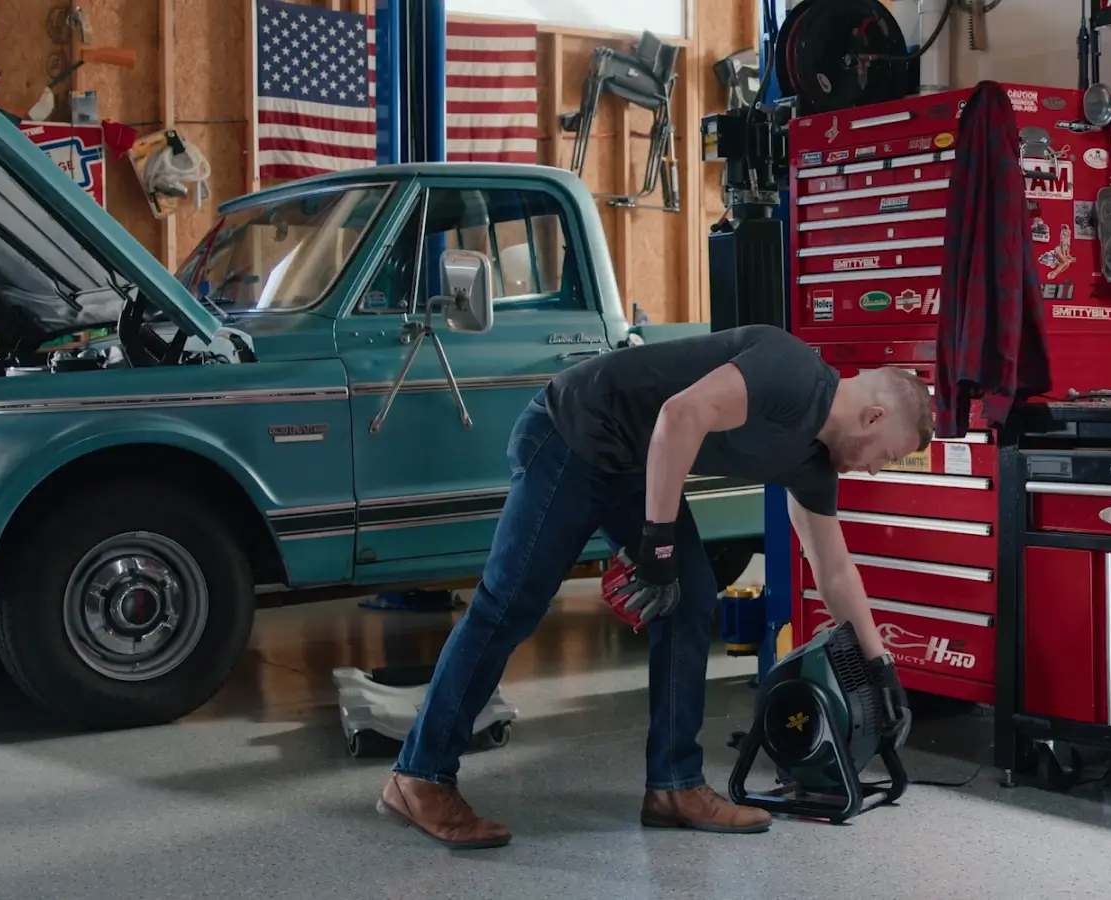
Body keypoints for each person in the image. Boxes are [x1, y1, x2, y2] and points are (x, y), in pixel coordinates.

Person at [376, 324, 930, 849]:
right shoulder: (791, 370)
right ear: (872, 417)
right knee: (508, 605)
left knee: (689, 598)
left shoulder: (813, 463)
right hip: (571, 432)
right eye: (887, 455)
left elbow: (833, 569)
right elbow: (679, 415)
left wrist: (881, 670)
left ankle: (674, 786)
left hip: (631, 463)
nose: (879, 470)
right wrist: (658, 549)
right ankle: (419, 777)